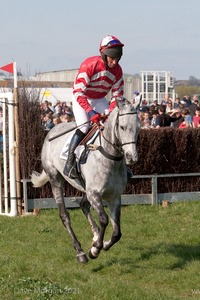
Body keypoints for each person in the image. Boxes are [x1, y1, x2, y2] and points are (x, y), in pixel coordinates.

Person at [63, 35, 124, 178]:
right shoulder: (89, 65)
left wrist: (110, 111)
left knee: (113, 123)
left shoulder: (118, 71)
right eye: (111, 58)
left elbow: (117, 96)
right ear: (103, 54)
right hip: (81, 98)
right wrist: (90, 113)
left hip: (99, 99)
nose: (114, 62)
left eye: (117, 59)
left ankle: (120, 164)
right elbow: (78, 92)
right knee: (84, 127)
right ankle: (69, 161)